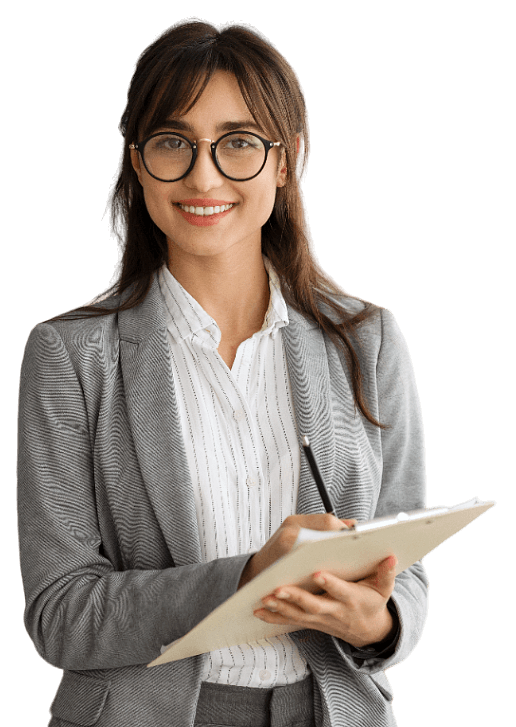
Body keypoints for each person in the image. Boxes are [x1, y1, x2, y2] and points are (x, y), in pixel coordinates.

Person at [17, 18, 428, 727]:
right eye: (174, 142)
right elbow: (60, 613)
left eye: (237, 143)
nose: (203, 175)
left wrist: (380, 623)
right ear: (138, 161)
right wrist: (245, 580)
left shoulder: (368, 339)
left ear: (284, 159)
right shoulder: (71, 356)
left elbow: (408, 568)